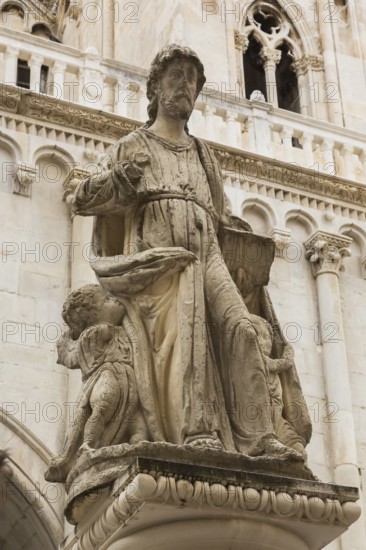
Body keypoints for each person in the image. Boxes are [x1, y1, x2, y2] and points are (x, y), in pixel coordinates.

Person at [72, 44, 311, 457]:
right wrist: (119, 182)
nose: (185, 87)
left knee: (242, 328)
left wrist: (244, 240)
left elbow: (221, 217)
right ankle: (197, 431)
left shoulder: (205, 156)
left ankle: (260, 438)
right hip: (158, 266)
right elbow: (83, 197)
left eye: (192, 81)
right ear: (155, 88)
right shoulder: (133, 145)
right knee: (190, 326)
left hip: (209, 257)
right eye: (175, 78)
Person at [45, 284, 147, 482]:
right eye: (107, 300)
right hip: (107, 377)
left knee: (136, 418)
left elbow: (70, 357)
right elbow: (72, 357)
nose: (115, 300)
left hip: (126, 379)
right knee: (101, 408)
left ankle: (138, 441)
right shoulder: (97, 332)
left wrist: (68, 343)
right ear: (93, 315)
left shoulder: (109, 330)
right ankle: (89, 444)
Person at [250, 314, 307, 459]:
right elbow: (282, 364)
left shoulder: (268, 360)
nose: (265, 342)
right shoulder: (258, 361)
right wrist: (288, 355)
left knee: (299, 450)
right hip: (259, 418)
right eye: (259, 336)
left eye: (267, 337)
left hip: (277, 418)